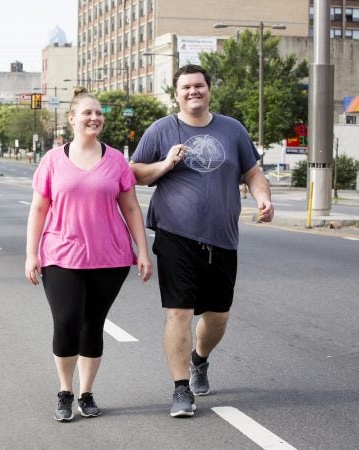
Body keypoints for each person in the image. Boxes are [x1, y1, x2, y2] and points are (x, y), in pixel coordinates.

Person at [130, 64, 274, 418]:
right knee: (178, 311)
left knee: (218, 315)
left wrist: (263, 197)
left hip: (223, 237)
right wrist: (165, 165)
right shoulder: (161, 129)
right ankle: (181, 390)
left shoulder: (232, 129)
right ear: (176, 94)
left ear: (209, 90)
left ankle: (200, 359)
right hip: (175, 234)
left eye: (199, 86)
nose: (193, 92)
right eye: (186, 88)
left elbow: (252, 171)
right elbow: (134, 172)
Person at [25, 87, 152, 422]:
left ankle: (86, 392)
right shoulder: (52, 160)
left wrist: (143, 251)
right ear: (72, 119)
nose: (94, 118)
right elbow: (39, 209)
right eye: (87, 113)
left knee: (93, 325)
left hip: (110, 257)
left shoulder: (116, 160)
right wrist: (31, 254)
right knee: (67, 322)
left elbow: (131, 208)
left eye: (98, 113)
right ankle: (65, 391)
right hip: (60, 254)